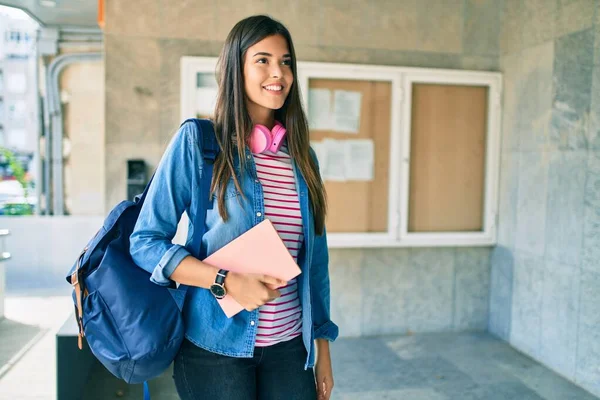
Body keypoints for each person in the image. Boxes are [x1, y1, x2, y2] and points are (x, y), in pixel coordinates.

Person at [130, 14, 338, 400]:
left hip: (290, 349)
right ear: (235, 68)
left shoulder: (303, 158)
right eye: (263, 60)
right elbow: (144, 241)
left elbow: (316, 262)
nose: (278, 72)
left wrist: (321, 346)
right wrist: (225, 280)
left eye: (286, 61)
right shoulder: (198, 143)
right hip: (213, 349)